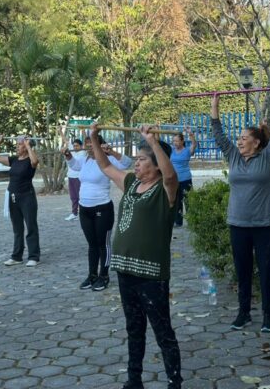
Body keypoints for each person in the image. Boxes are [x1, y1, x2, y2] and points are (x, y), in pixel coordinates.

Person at [93, 124, 182, 389]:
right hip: (125, 271)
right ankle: (134, 381)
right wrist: (93, 139)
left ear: (156, 165)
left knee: (162, 331)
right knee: (134, 328)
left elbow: (170, 176)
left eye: (142, 160)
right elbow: (107, 168)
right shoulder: (132, 183)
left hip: (151, 276)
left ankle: (174, 383)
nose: (137, 164)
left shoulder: (166, 191)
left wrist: (153, 143)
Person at [211, 86, 270, 333]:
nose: (239, 141)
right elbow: (219, 136)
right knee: (242, 272)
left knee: (265, 271)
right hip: (238, 224)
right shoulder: (233, 156)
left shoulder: (267, 156)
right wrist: (215, 106)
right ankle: (243, 314)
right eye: (240, 138)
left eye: (244, 138)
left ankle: (269, 316)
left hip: (264, 224)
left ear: (256, 143)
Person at [62, 134, 132, 291]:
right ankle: (92, 275)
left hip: (102, 208)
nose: (88, 147)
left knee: (103, 244)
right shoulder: (85, 160)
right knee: (92, 244)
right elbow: (74, 165)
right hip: (84, 208)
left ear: (100, 146)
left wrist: (112, 152)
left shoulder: (108, 160)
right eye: (87, 144)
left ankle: (104, 276)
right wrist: (67, 155)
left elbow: (127, 163)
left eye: (91, 143)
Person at [0, 135, 41, 267]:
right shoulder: (14, 160)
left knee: (31, 226)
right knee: (17, 228)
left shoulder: (30, 160)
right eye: (18, 144)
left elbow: (35, 161)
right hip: (13, 197)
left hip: (27, 197)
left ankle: (34, 256)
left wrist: (28, 146)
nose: (17, 146)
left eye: (19, 144)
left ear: (26, 147)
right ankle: (17, 256)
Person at [169, 127, 198, 227]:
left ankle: (192, 221)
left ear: (182, 141)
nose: (175, 143)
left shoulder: (187, 151)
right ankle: (178, 222)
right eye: (174, 141)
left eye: (177, 141)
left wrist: (191, 134)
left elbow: (194, 144)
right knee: (177, 202)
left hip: (185, 179)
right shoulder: (171, 150)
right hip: (175, 181)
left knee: (189, 200)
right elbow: (160, 146)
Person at [64, 138, 85, 221]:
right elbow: (66, 141)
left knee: (79, 196)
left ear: (81, 146)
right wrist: (60, 131)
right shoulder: (72, 150)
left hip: (78, 178)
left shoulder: (83, 152)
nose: (75, 147)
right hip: (70, 177)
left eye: (77, 146)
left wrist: (83, 130)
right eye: (74, 146)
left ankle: (82, 213)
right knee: (73, 197)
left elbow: (85, 138)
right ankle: (74, 213)